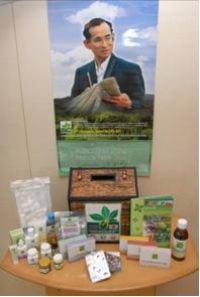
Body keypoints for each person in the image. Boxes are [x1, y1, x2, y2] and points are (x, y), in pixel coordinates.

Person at [71, 18, 145, 112]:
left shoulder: (131, 69)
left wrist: (129, 104)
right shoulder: (81, 72)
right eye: (98, 40)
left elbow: (141, 103)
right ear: (87, 44)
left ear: (113, 37)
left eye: (107, 37)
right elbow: (73, 103)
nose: (105, 45)